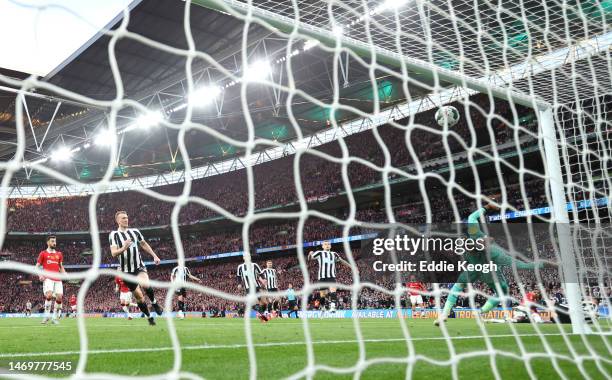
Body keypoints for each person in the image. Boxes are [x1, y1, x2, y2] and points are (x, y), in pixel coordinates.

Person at [436, 198, 544, 326]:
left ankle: (444, 314)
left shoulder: (477, 240)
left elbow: (472, 218)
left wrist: (487, 207)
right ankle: (480, 312)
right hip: (489, 271)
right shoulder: (493, 250)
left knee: (457, 287)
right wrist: (540, 264)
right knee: (502, 291)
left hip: (474, 269)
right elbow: (519, 264)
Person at [109, 210, 162, 326]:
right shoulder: (114, 235)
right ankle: (149, 317)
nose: (126, 219)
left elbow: (143, 244)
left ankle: (154, 303)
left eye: (127, 217)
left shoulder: (135, 232)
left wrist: (154, 256)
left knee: (145, 284)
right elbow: (113, 253)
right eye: (123, 218)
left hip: (138, 266)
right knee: (139, 297)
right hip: (126, 272)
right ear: (117, 221)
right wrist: (124, 247)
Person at [308, 241, 351, 312]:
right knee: (322, 296)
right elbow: (310, 259)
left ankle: (333, 307)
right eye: (325, 244)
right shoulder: (319, 253)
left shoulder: (334, 254)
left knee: (333, 291)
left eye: (328, 244)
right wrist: (310, 254)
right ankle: (323, 307)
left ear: (330, 246)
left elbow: (342, 260)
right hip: (322, 277)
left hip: (331, 276)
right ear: (323, 246)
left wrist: (351, 266)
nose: (327, 245)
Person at [35, 235, 66, 325]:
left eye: (55, 241)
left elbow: (61, 267)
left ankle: (54, 317)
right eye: (52, 241)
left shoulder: (59, 254)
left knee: (59, 297)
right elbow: (36, 267)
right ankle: (46, 316)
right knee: (48, 295)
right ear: (48, 242)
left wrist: (65, 274)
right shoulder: (43, 253)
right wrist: (40, 275)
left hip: (58, 279)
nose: (54, 243)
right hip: (48, 278)